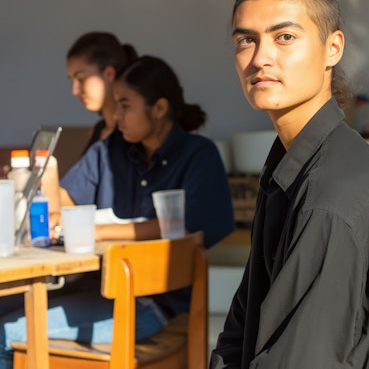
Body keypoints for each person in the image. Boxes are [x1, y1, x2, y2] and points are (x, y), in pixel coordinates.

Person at [210, 0, 369, 368]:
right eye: (247, 40)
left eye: (285, 37)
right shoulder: (295, 165)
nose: (261, 58)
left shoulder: (331, 194)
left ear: (333, 48)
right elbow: (244, 322)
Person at [0, 55, 235, 369]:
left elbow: (184, 228)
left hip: (153, 304)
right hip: (87, 287)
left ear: (160, 108)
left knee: (4, 334)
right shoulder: (111, 150)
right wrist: (48, 175)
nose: (117, 114)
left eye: (125, 105)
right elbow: (66, 200)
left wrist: (97, 231)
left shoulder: (198, 155)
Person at [66, 31, 138, 152]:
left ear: (109, 73)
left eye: (80, 79)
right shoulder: (97, 130)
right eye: (72, 80)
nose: (75, 91)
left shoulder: (135, 135)